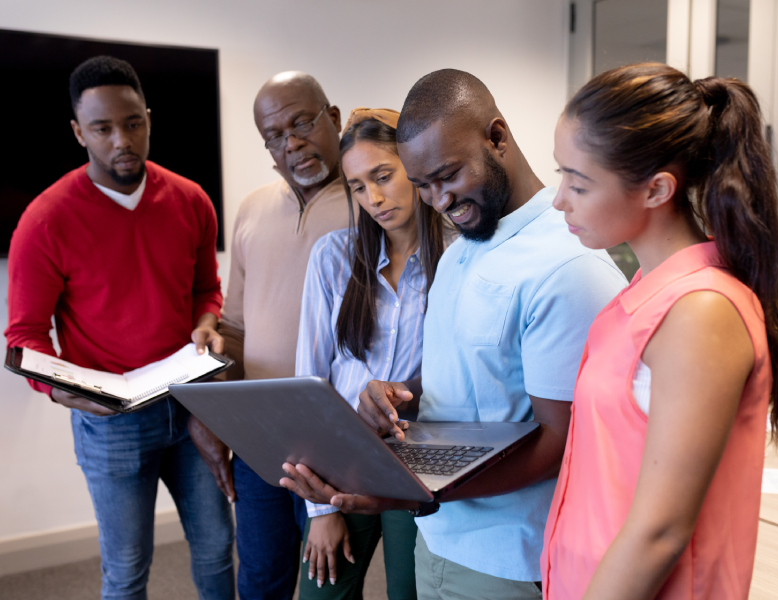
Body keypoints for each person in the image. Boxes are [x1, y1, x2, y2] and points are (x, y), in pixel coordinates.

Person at [280, 69, 628, 599]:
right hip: (440, 539)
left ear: (497, 137)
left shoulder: (567, 265)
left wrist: (414, 493)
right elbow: (466, 371)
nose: (438, 200)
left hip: (508, 557)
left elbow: (560, 442)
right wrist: (400, 394)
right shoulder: (467, 246)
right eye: (423, 186)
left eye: (448, 176)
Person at [541, 63, 778, 599]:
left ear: (657, 189)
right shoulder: (648, 289)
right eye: (561, 173)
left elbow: (660, 531)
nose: (559, 199)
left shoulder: (701, 312)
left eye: (579, 182)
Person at [4, 56, 234, 600]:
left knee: (216, 548)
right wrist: (67, 392)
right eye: (103, 129)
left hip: (191, 400)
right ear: (79, 132)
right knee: (127, 569)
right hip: (110, 422)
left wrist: (206, 321)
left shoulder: (191, 200)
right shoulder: (45, 219)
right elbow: (26, 338)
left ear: (148, 119)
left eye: (132, 123)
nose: (121, 140)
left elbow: (207, 287)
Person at [187, 71, 352, 600]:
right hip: (262, 439)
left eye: (302, 122)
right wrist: (212, 356)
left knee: (328, 584)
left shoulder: (372, 204)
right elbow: (232, 326)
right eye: (275, 135)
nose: (292, 142)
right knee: (260, 578)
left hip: (339, 436)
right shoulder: (252, 208)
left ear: (334, 118)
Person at [296, 108, 451, 599]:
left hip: (420, 460)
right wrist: (322, 512)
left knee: (410, 592)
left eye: (383, 176)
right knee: (323, 593)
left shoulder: (459, 256)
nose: (374, 198)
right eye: (358, 186)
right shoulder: (332, 257)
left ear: (414, 165)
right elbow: (310, 384)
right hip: (342, 457)